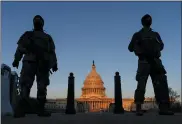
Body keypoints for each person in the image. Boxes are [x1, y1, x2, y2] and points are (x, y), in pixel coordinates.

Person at [12, 15, 58, 118]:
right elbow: (20, 48)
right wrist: (16, 59)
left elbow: (51, 52)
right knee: (28, 86)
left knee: (34, 86)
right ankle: (31, 109)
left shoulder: (37, 36)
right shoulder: (38, 36)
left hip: (37, 63)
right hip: (34, 62)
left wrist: (16, 60)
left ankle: (34, 109)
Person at [128, 14, 174, 116]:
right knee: (141, 84)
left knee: (161, 84)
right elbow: (130, 48)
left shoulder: (155, 34)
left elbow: (161, 45)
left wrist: (155, 50)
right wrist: (138, 48)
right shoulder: (137, 35)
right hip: (144, 61)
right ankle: (138, 108)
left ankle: (163, 108)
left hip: (155, 62)